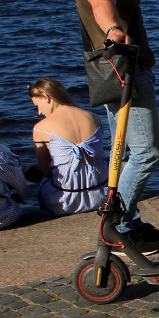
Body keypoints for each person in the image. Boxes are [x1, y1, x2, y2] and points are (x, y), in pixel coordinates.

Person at [71, 0, 159, 254]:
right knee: (147, 152)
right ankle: (115, 227)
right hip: (121, 69)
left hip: (122, 68)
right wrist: (113, 28)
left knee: (126, 150)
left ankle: (128, 223)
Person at [28, 78, 106, 217]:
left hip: (67, 202)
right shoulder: (94, 117)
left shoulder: (41, 128)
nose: (39, 112)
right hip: (102, 194)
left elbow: (47, 172)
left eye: (37, 106)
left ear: (46, 97)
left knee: (39, 177)